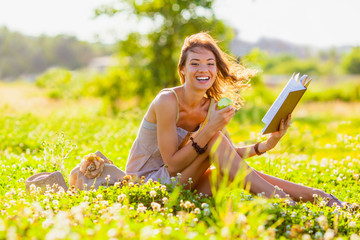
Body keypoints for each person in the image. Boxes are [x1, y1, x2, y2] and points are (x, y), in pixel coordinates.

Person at [125, 32, 344, 207]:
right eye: (195, 63)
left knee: (232, 168)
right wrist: (210, 129)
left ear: (216, 69)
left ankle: (321, 197)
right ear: (182, 70)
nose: (204, 69)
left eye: (210, 63)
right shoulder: (167, 101)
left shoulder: (211, 106)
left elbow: (227, 155)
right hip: (148, 186)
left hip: (186, 183)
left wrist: (266, 145)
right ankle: (282, 200)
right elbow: (172, 167)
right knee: (214, 139)